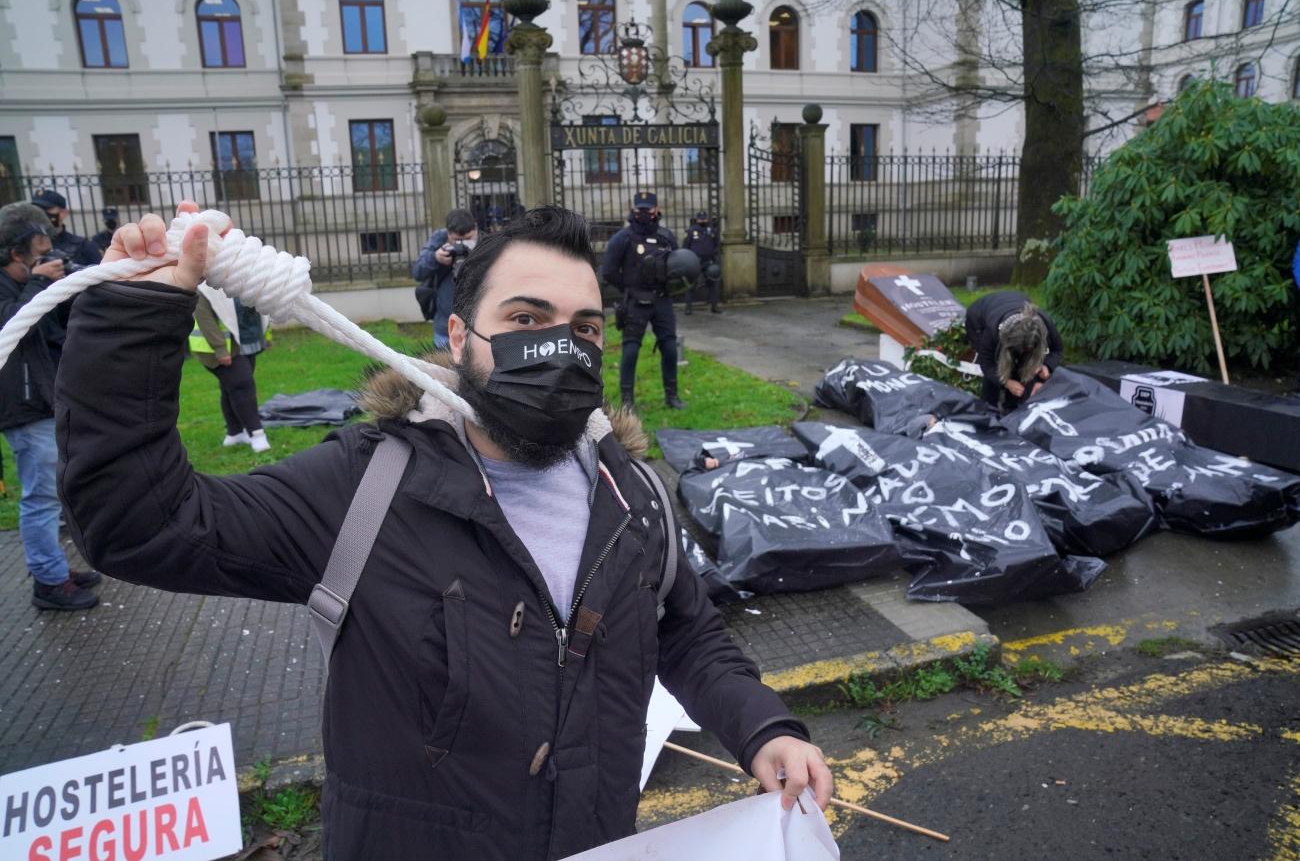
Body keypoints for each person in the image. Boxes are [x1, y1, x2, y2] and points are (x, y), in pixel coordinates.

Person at [56, 202, 832, 858]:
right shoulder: (365, 484)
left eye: (585, 328)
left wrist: (763, 727)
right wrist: (131, 323)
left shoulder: (630, 492)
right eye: (527, 319)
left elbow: (688, 633)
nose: (561, 347)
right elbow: (138, 523)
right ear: (459, 338)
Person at [0, 203, 99, 610]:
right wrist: (39, 284)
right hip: (21, 410)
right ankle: (48, 582)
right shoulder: (9, 287)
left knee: (54, 491)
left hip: (41, 400)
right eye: (38, 252)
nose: (45, 257)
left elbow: (50, 329)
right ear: (14, 253)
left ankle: (54, 568)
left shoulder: (26, 283)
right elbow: (10, 326)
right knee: (40, 498)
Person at [601, 191, 685, 411]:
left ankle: (672, 396)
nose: (644, 213)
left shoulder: (666, 237)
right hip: (635, 303)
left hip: (661, 301)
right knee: (630, 350)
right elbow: (608, 271)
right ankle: (628, 401)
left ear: (656, 210)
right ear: (633, 209)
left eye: (648, 209)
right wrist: (627, 288)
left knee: (670, 348)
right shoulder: (623, 238)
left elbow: (677, 266)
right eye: (640, 209)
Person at [191, 289, 271, 452]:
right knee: (242, 385)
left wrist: (265, 337)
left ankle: (234, 433)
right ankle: (257, 435)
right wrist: (220, 348)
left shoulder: (244, 277)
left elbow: (261, 309)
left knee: (231, 387)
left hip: (246, 342)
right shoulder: (206, 286)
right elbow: (204, 317)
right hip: (217, 348)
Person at [964, 290, 1064, 412]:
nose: (1024, 352)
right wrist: (1006, 382)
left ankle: (1016, 407)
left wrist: (1047, 366)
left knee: (1026, 366)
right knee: (997, 367)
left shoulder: (1046, 325)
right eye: (1020, 349)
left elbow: (1057, 350)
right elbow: (986, 363)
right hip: (978, 317)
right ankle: (988, 410)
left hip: (1014, 301)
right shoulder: (992, 332)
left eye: (1030, 348)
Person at [413, 208, 477, 348]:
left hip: (477, 326)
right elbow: (417, 272)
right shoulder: (439, 239)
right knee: (442, 368)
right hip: (445, 326)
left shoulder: (485, 242)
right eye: (457, 241)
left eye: (467, 240)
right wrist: (435, 257)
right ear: (448, 235)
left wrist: (477, 256)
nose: (461, 245)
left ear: (476, 230)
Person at [30, 189, 103, 267]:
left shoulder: (84, 246)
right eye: (36, 210)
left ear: (63, 213)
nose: (39, 214)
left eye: (46, 209)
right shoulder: (26, 248)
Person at [684, 210, 722, 315]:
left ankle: (714, 306)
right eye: (701, 219)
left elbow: (716, 244)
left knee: (712, 283)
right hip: (695, 261)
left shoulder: (711, 230)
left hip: (708, 261)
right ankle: (688, 307)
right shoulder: (691, 231)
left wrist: (713, 255)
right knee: (691, 284)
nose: (702, 220)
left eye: (704, 218)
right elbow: (686, 246)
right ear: (697, 219)